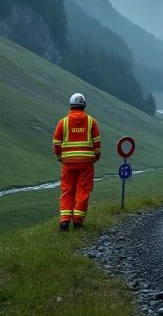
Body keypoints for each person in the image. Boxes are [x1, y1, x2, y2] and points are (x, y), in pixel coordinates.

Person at [52, 93, 101, 231]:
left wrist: (59, 157)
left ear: (71, 105)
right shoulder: (91, 121)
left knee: (67, 191)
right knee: (82, 191)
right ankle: (78, 222)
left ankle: (64, 222)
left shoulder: (63, 122)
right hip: (86, 163)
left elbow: (56, 142)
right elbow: (97, 143)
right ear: (84, 105)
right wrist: (95, 157)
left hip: (68, 163)